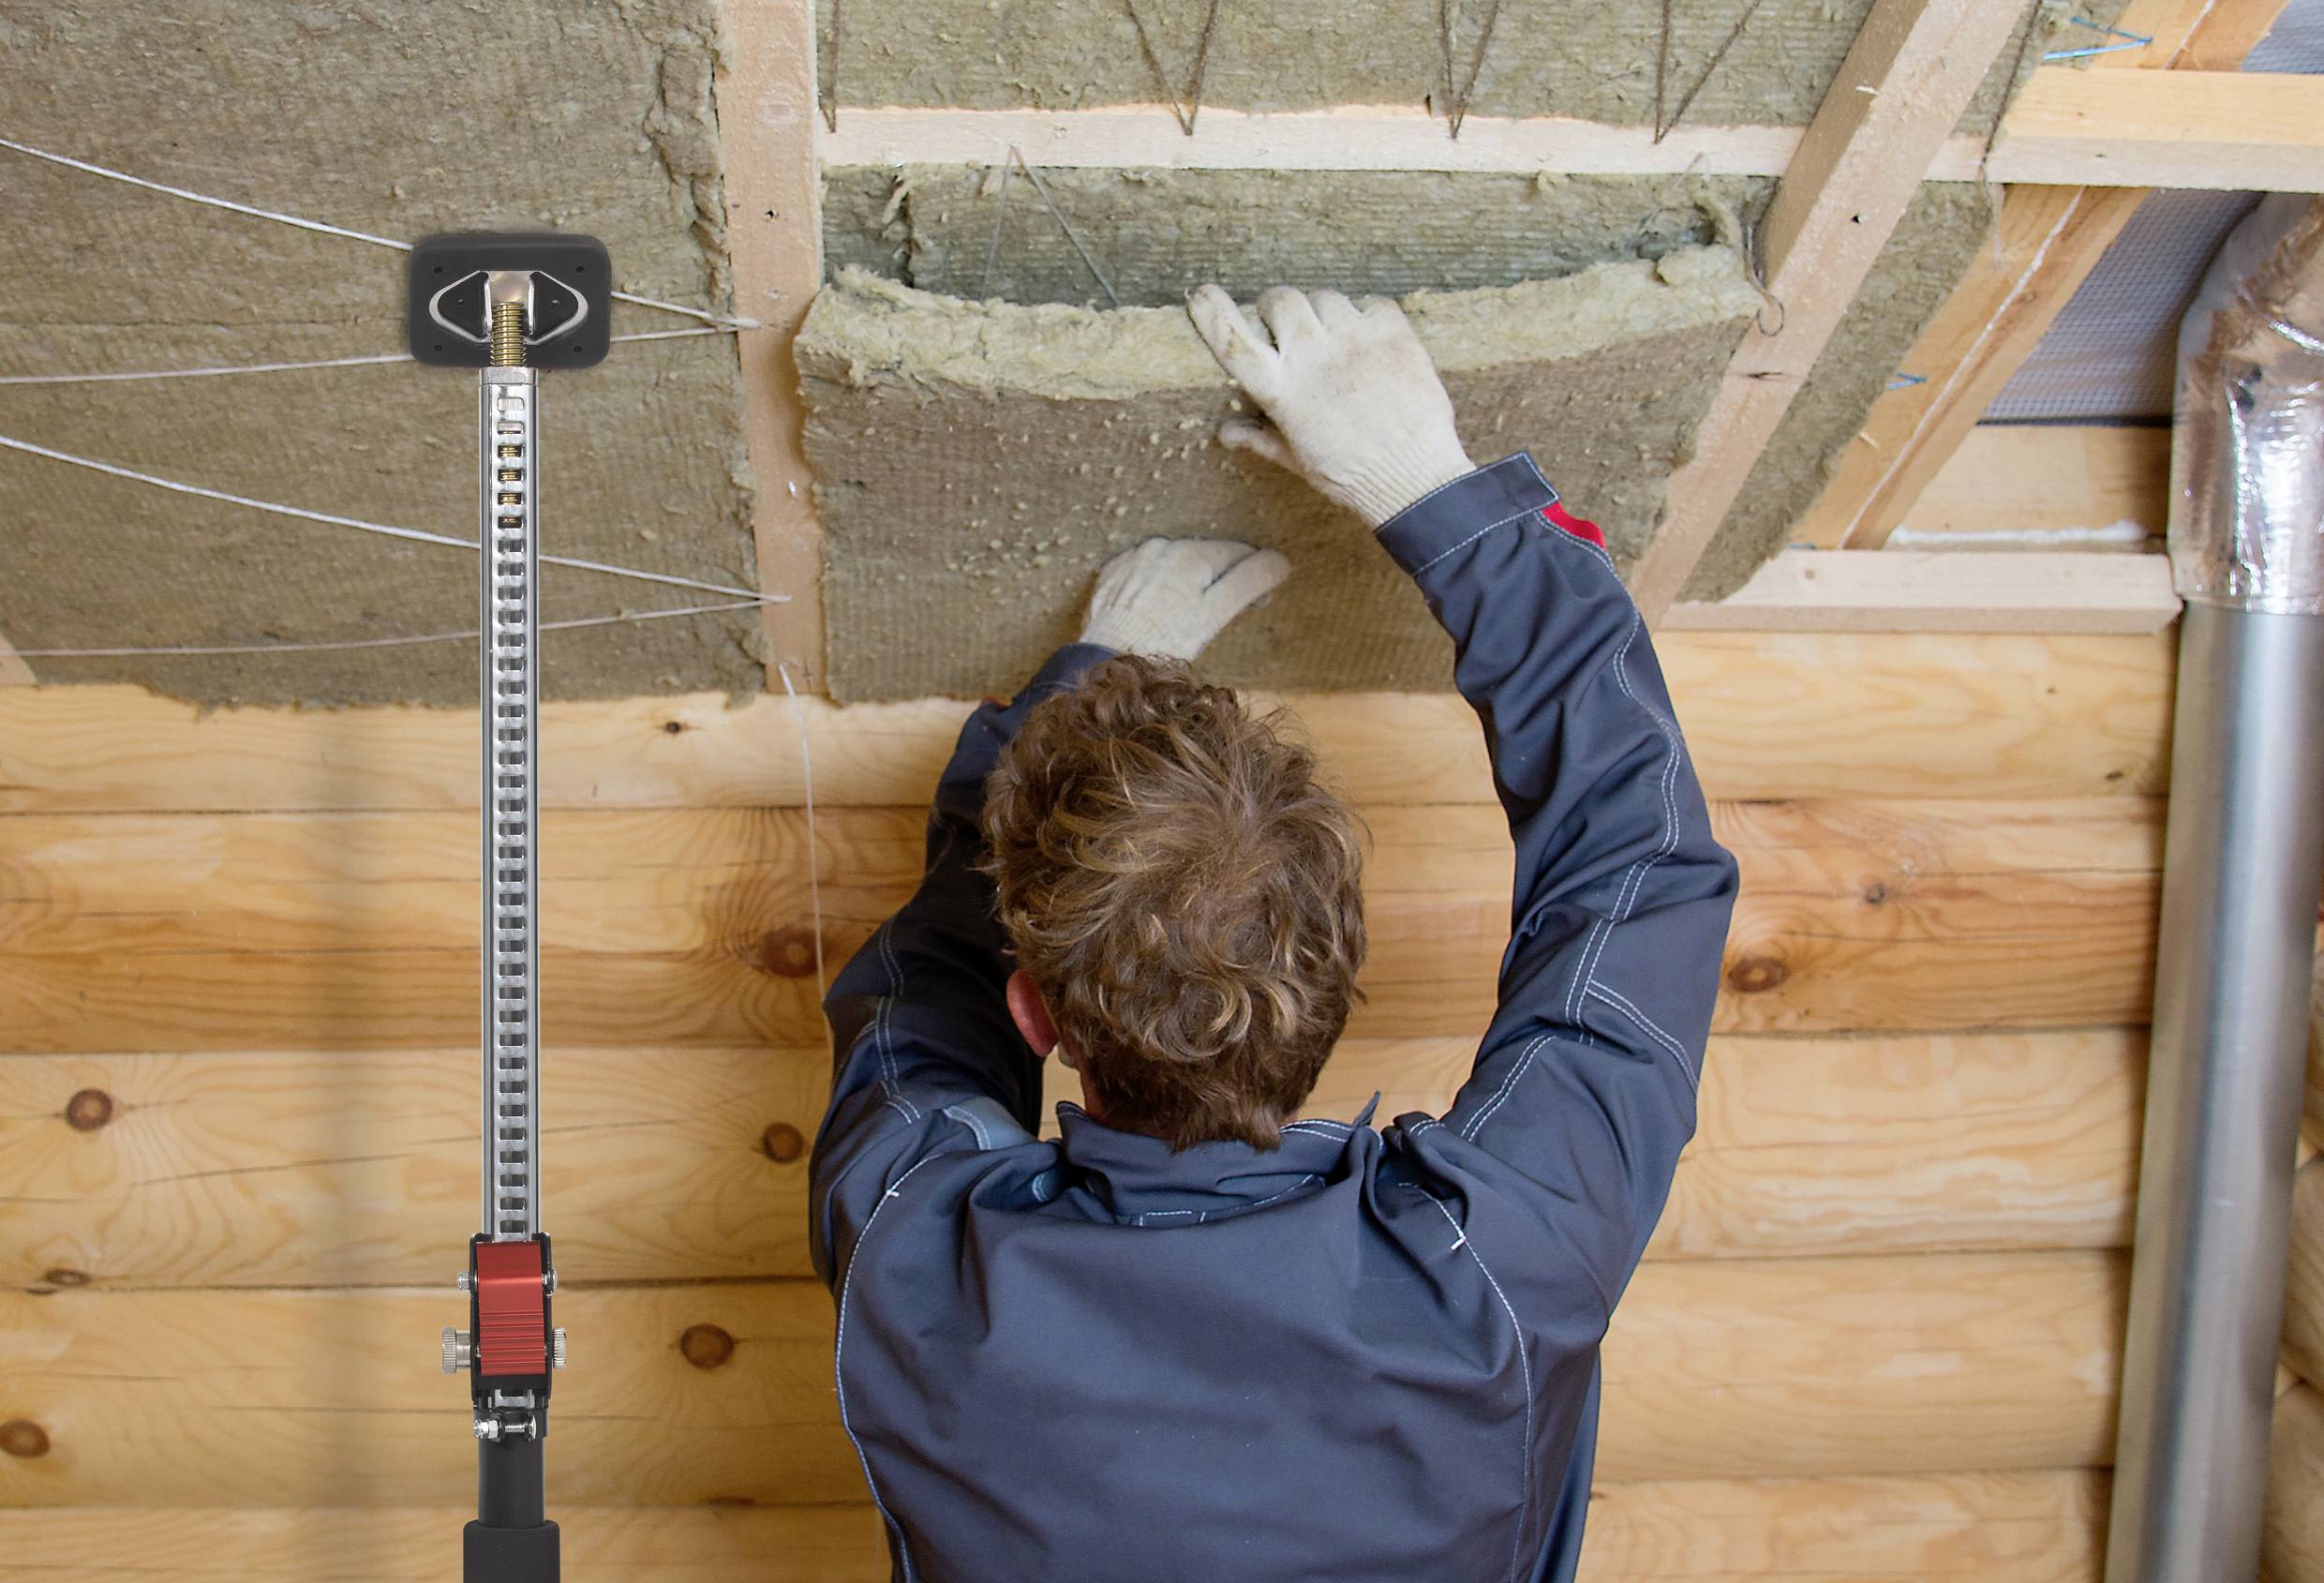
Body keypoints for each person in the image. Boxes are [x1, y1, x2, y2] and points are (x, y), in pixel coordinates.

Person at [809, 284, 1739, 1582]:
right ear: (1335, 983)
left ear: (1042, 1020)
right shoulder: (1493, 1276)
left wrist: (1087, 682)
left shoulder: (916, 1252)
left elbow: (927, 1005)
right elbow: (1638, 864)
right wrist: (1429, 488)